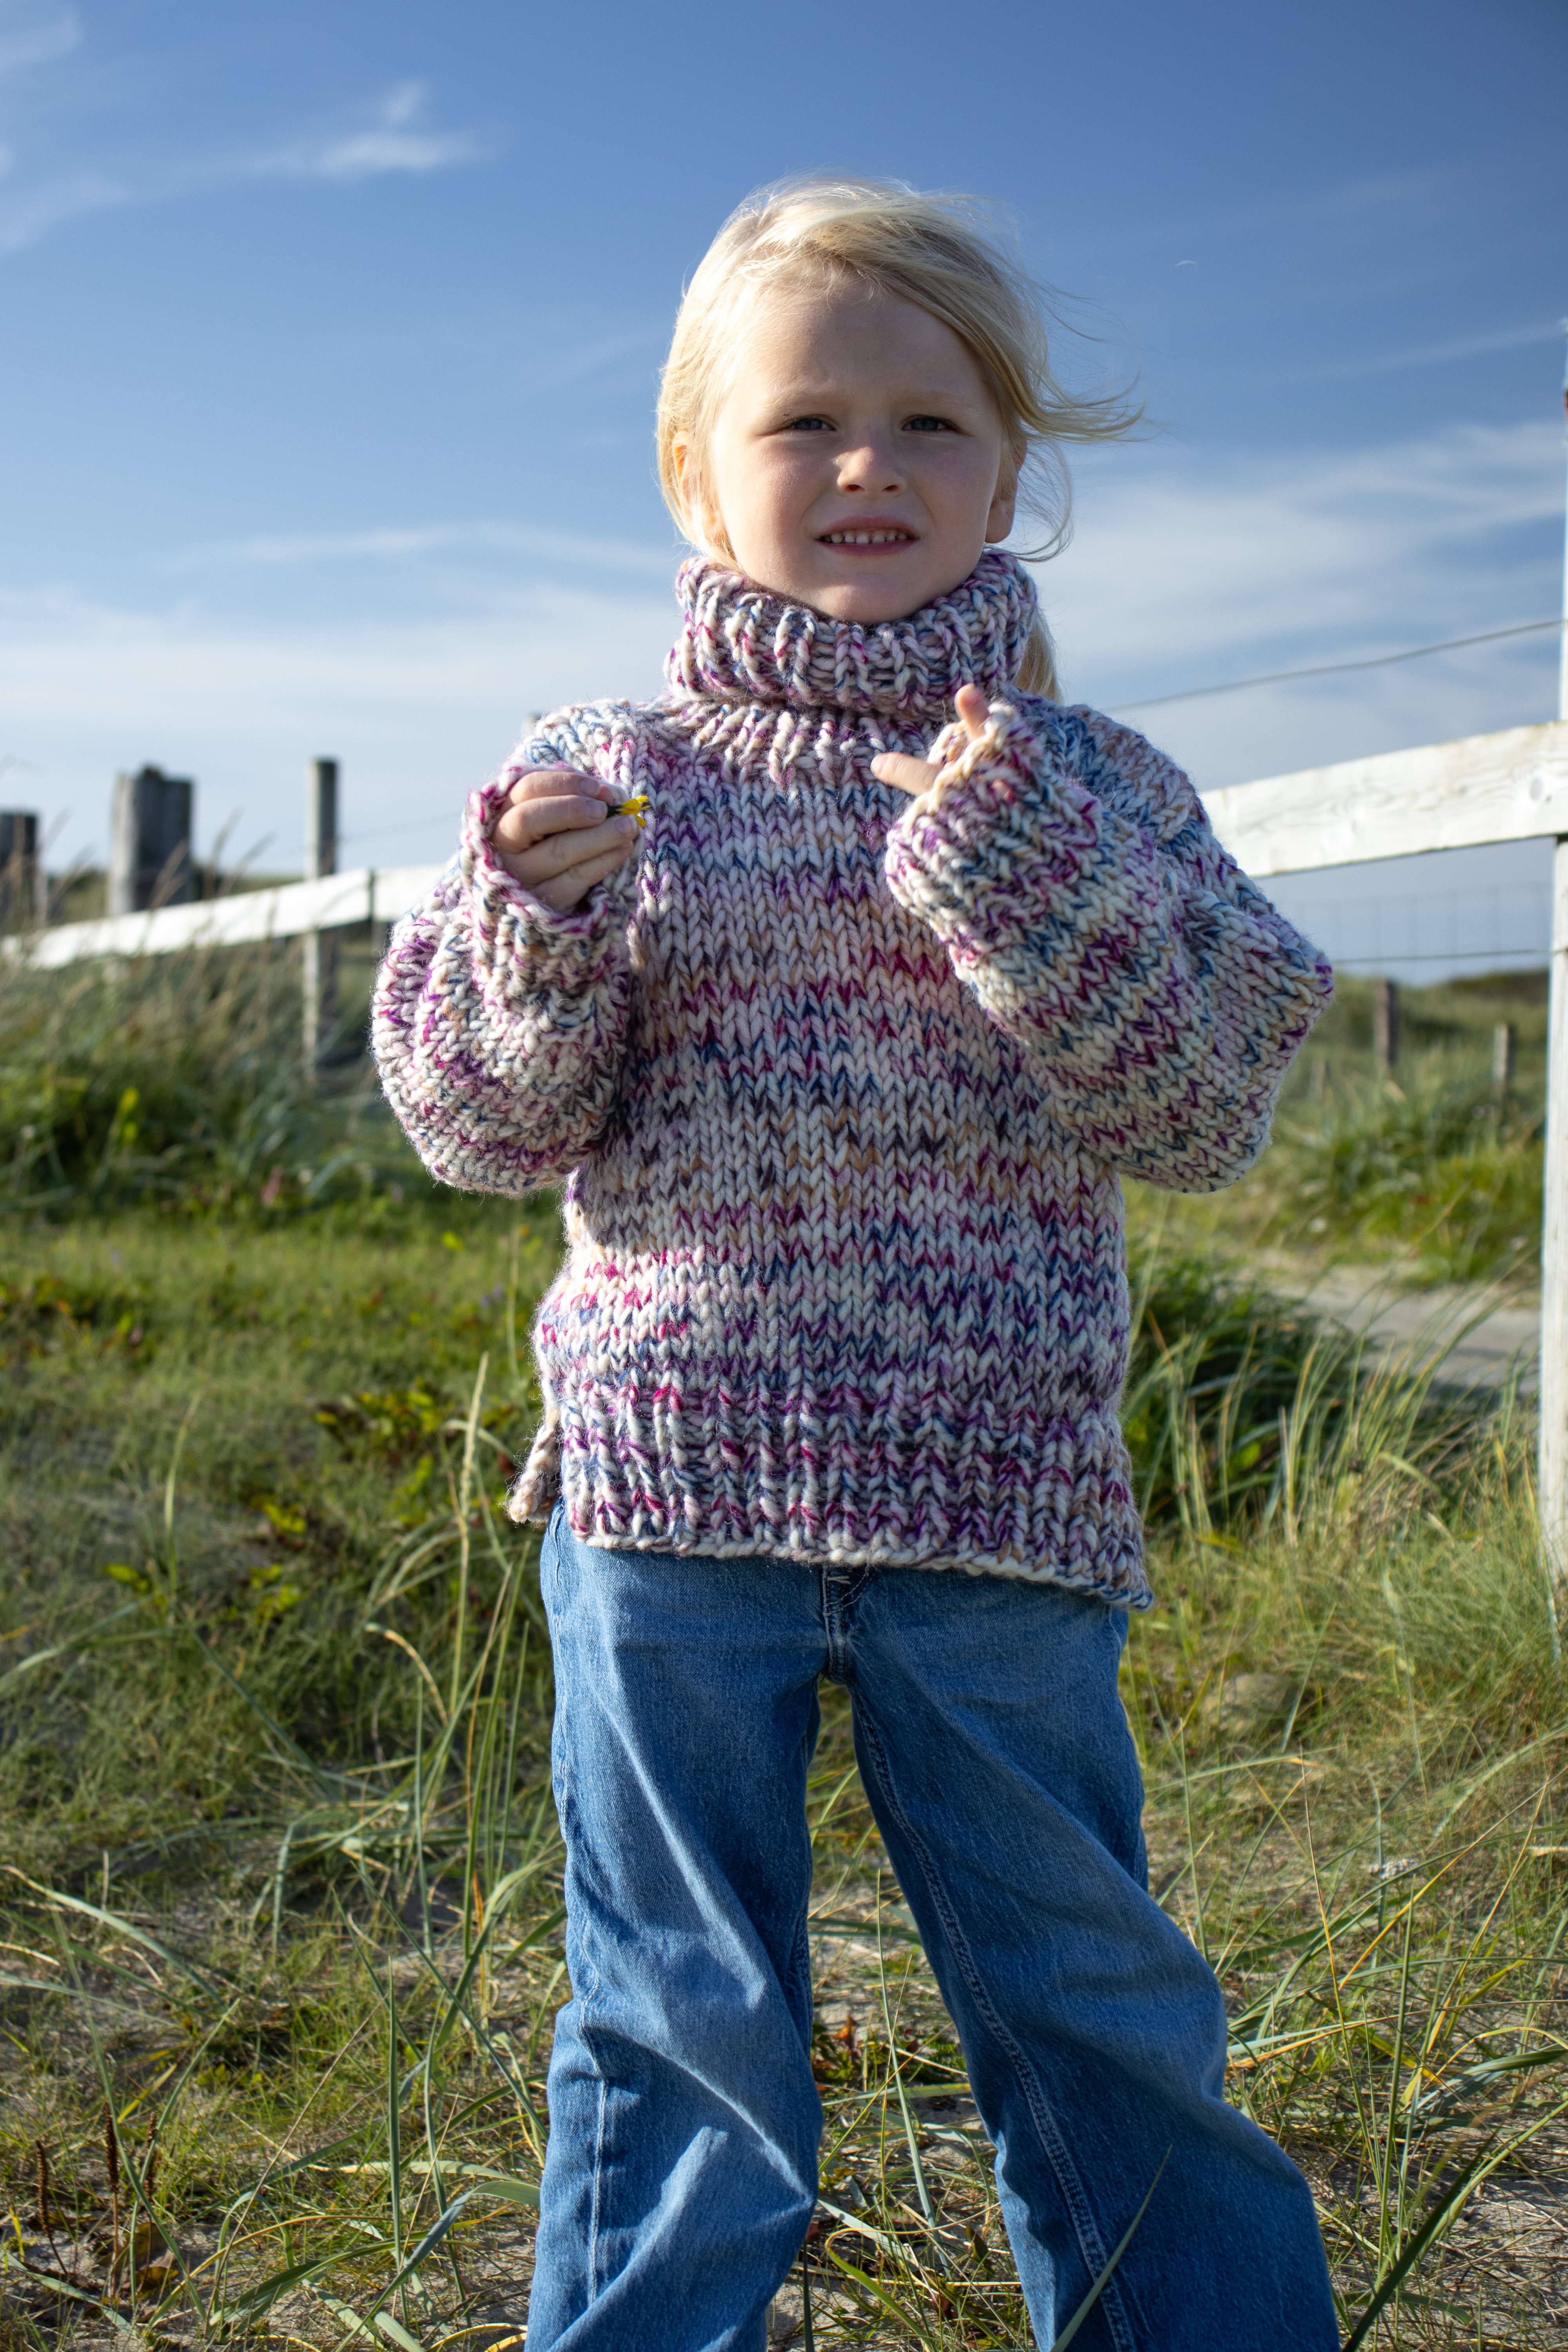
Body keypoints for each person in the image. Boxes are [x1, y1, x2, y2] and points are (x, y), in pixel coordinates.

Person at [372, 174, 1340, 2352]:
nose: (867, 466)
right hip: (665, 1499)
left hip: (997, 1509)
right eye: (805, 420)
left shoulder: (1091, 785)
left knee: (1092, 2004)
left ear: (1010, 467)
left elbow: (1204, 1105)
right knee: (674, 2020)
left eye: (930, 422)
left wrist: (1015, 870)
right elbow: (477, 1128)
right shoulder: (595, 778)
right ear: (695, 474)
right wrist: (539, 928)